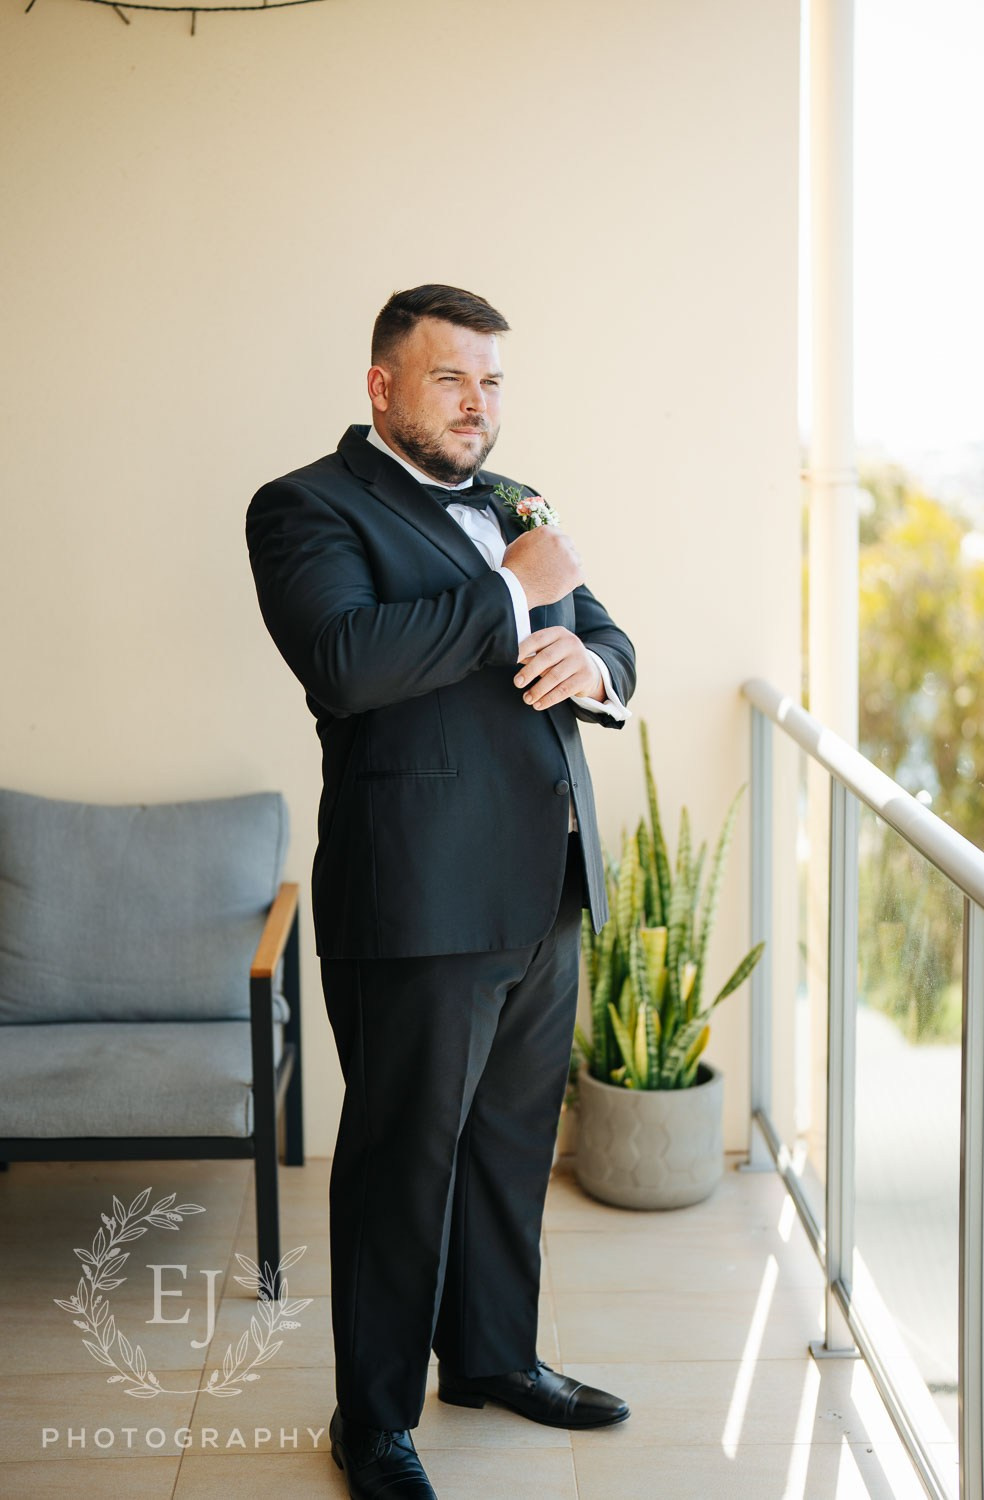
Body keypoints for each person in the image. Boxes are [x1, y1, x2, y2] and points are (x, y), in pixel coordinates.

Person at [246, 284, 637, 1500]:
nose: (480, 404)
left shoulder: (521, 506)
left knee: (512, 1148)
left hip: (544, 884)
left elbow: (612, 637)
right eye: (451, 378)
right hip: (415, 895)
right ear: (382, 386)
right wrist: (516, 593)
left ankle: (489, 1358)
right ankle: (371, 1422)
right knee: (401, 1161)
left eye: (493, 381)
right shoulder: (305, 506)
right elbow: (348, 663)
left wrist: (594, 661)